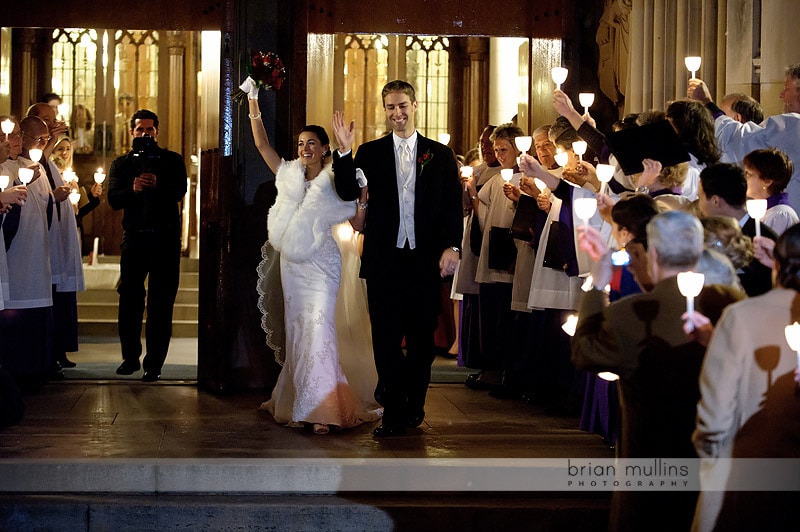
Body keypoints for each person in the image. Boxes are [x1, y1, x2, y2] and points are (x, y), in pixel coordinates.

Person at [571, 210, 742, 532]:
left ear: (654, 254)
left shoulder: (628, 316)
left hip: (651, 466)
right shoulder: (731, 302)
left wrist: (597, 286)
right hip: (718, 462)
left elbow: (584, 352)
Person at [241, 77, 379, 434]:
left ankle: (324, 409)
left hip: (323, 264)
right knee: (300, 332)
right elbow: (261, 144)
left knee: (320, 329)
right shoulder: (287, 175)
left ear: (323, 148)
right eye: (301, 143)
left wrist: (363, 197)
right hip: (293, 267)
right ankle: (297, 399)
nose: (305, 148)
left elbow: (359, 222)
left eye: (311, 143)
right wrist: (254, 100)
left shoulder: (337, 179)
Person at [332, 79, 463, 437]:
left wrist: (453, 247)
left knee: (421, 342)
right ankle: (392, 409)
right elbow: (346, 192)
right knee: (386, 340)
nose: (397, 113)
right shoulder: (370, 153)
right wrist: (344, 152)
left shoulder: (439, 155)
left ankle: (413, 404)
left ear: (415, 105)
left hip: (424, 262)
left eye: (402, 105)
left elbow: (454, 206)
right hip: (384, 261)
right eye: (390, 107)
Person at [689, 223, 800, 531]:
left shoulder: (742, 316)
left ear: (776, 262)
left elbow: (714, 418)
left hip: (747, 470)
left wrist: (710, 453)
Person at [107, 109, 187, 382]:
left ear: (157, 132)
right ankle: (130, 358)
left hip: (165, 240)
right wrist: (134, 189)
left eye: (149, 130)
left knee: (161, 304)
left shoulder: (172, 160)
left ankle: (154, 364)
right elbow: (114, 200)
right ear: (131, 132)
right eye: (139, 130)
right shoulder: (121, 164)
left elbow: (178, 192)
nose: (144, 134)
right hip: (135, 239)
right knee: (129, 300)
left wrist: (158, 184)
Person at [688, 64, 800, 213]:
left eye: (787, 88)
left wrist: (707, 104)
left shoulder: (794, 127)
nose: (781, 95)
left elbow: (741, 141)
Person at [696, 163, 776, 296]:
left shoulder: (763, 241)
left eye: (700, 198)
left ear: (716, 201)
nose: (699, 205)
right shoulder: (711, 235)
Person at [742, 148, 798, 235]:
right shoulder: (763, 212)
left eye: (748, 174)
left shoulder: (780, 215)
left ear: (767, 181)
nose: (743, 178)